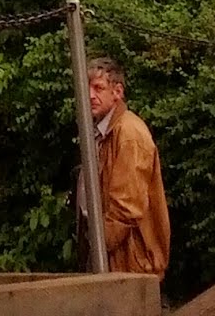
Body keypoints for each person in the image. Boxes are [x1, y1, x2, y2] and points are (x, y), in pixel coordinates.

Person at [80, 58, 170, 279]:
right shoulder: (104, 132)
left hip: (130, 262)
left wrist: (99, 246)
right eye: (87, 88)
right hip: (118, 259)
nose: (90, 95)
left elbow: (126, 207)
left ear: (117, 92)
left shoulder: (129, 133)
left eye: (98, 88)